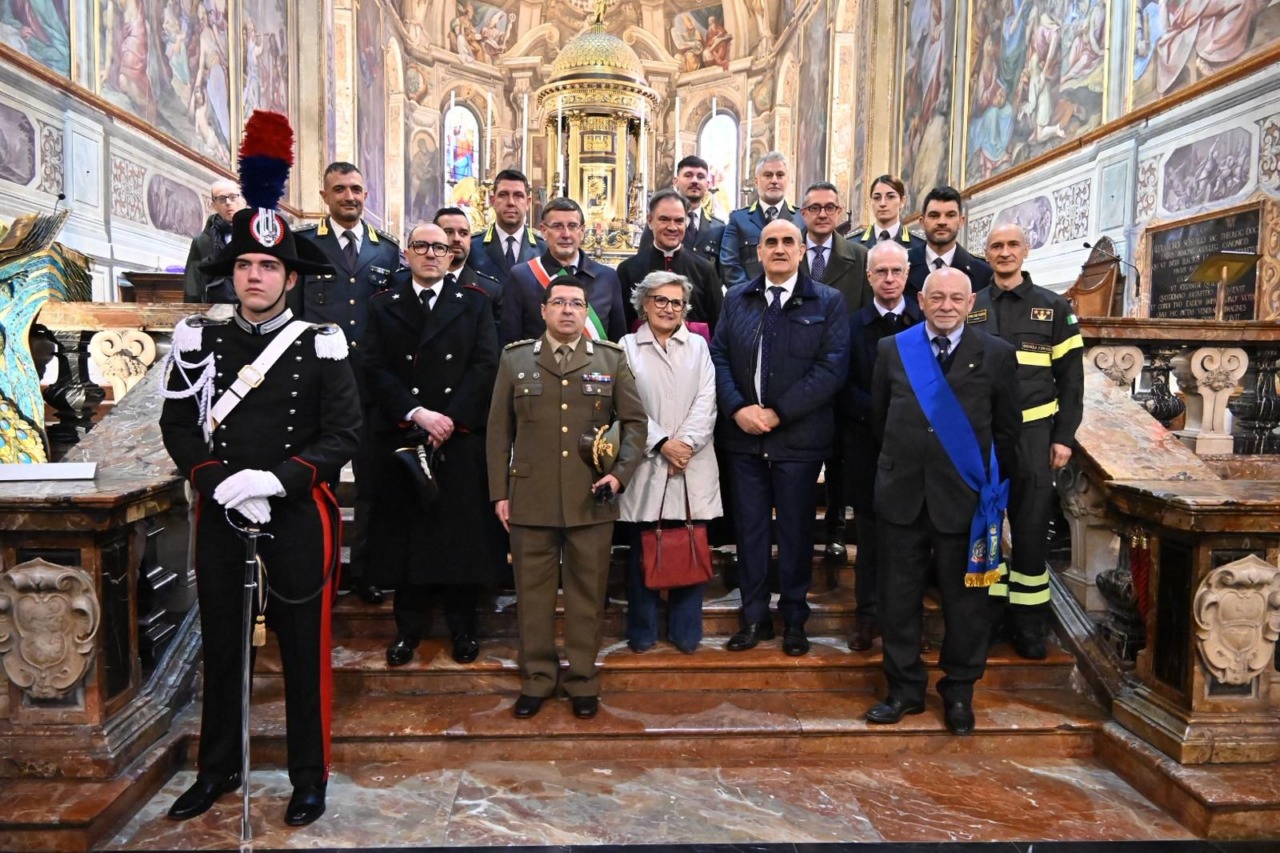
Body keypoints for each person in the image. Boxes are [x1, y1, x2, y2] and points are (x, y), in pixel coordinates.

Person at [159, 200, 360, 827]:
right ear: (232, 273)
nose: (255, 275)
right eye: (245, 264)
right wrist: (217, 480)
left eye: (269, 266)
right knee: (223, 646)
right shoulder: (200, 339)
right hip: (223, 512)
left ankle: (309, 777)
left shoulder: (321, 344)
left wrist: (276, 479)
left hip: (296, 515)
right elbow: (178, 426)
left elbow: (343, 435)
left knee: (304, 649)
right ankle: (216, 769)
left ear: (290, 278)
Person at [866, 267, 1020, 736]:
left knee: (966, 603)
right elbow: (879, 419)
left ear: (971, 303)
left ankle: (958, 692)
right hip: (902, 496)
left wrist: (991, 489)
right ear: (922, 300)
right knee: (898, 599)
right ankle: (904, 690)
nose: (946, 306)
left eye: (956, 298)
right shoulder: (893, 348)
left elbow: (1006, 430)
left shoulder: (997, 354)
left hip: (965, 500)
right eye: (937, 297)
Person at [487, 277, 646, 720]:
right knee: (532, 597)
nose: (568, 310)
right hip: (530, 497)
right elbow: (499, 431)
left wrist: (619, 475)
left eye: (577, 303)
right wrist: (499, 492)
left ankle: (582, 681)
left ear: (586, 311)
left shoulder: (610, 359)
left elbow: (635, 424)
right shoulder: (516, 359)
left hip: (590, 498)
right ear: (543, 310)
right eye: (559, 302)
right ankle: (537, 679)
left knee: (586, 597)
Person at [362, 221, 500, 666]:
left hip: (457, 437)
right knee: (409, 538)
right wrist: (417, 412)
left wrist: (450, 418)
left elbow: (485, 365)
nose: (431, 254)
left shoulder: (475, 303)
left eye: (439, 248)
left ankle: (463, 628)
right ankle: (408, 629)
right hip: (405, 434)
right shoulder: (383, 305)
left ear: (451, 255)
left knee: (459, 536)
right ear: (407, 253)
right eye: (421, 246)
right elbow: (373, 367)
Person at [710, 219, 849, 656]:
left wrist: (778, 412)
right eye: (771, 241)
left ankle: (794, 620)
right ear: (759, 251)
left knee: (795, 532)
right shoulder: (737, 298)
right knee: (750, 532)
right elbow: (719, 357)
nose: (780, 248)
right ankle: (753, 618)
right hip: (744, 439)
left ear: (803, 250)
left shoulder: (827, 301)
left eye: (789, 241)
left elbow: (831, 368)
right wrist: (738, 408)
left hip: (799, 440)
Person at [969, 223, 1084, 659]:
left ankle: (1029, 625)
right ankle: (989, 618)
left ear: (1026, 250)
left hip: (1035, 436)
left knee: (1032, 529)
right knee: (984, 526)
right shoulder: (971, 305)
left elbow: (1072, 381)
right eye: (996, 246)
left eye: (1012, 244)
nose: (1004, 252)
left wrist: (1064, 437)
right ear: (986, 253)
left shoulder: (1054, 308)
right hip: (982, 438)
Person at [293, 162, 401, 605]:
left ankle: (366, 573)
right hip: (322, 385)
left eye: (356, 188)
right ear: (325, 196)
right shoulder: (304, 244)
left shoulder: (386, 250)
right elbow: (295, 316)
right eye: (339, 189)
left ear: (366, 194)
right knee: (321, 481)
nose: (349, 196)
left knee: (373, 485)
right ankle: (322, 572)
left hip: (372, 387)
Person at [618, 271, 721, 654]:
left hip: (692, 461)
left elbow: (707, 400)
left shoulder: (698, 346)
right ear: (644, 304)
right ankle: (642, 630)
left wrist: (685, 445)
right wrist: (662, 442)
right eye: (660, 300)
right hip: (647, 462)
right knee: (644, 550)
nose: (668, 308)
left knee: (690, 544)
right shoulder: (627, 347)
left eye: (677, 302)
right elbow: (625, 404)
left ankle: (685, 632)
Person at [840, 240, 923, 650]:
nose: (889, 279)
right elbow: (842, 383)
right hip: (867, 446)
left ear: (907, 275)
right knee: (869, 541)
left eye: (896, 272)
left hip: (917, 450)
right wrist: (883, 414)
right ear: (868, 275)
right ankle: (867, 617)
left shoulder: (924, 322)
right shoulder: (851, 325)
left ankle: (905, 623)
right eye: (881, 272)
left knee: (911, 543)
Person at [799, 180, 870, 565]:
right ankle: (800, 531)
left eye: (830, 207)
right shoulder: (789, 250)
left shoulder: (859, 256)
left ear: (840, 213)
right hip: (798, 373)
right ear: (803, 213)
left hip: (844, 373)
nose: (822, 214)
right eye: (814, 208)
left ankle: (836, 531)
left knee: (841, 460)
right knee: (801, 462)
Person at [500, 197, 627, 345]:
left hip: (595, 361)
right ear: (544, 231)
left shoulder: (607, 277)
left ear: (582, 231)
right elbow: (510, 340)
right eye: (557, 226)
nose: (566, 234)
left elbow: (618, 340)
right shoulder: (522, 276)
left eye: (572, 226)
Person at [618, 189, 723, 331]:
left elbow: (718, 325)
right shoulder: (628, 269)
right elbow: (622, 324)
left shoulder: (705, 270)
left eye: (679, 221)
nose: (672, 227)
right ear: (650, 221)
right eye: (664, 219)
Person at [719, 151, 799, 289]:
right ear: (756, 181)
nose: (774, 180)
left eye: (780, 175)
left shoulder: (801, 219)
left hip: (794, 298)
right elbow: (729, 264)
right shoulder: (738, 220)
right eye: (768, 175)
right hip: (749, 297)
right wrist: (751, 294)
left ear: (788, 180)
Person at [905, 186, 992, 299]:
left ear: (961, 221)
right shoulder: (901, 266)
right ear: (922, 222)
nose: (942, 222)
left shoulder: (983, 272)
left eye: (950, 215)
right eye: (934, 215)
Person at [639, 155, 725, 265]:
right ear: (676, 181)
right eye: (688, 175)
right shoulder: (658, 222)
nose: (695, 181)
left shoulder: (718, 227)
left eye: (700, 177)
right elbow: (642, 262)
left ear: (707, 184)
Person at [467, 168, 547, 286]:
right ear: (492, 201)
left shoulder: (544, 250)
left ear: (528, 203)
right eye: (503, 195)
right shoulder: (472, 247)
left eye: (518, 195)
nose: (511, 202)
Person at [435, 205, 503, 330]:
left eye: (463, 233)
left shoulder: (489, 290)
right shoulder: (411, 281)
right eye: (448, 232)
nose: (457, 239)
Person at [183, 179, 244, 303]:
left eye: (233, 197)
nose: (228, 203)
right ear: (214, 205)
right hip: (214, 307)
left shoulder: (259, 234)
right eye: (222, 199)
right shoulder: (202, 241)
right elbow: (192, 285)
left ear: (243, 200)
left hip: (252, 307)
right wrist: (193, 311)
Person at [854, 175, 925, 254]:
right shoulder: (853, 242)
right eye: (877, 198)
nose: (882, 203)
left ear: (902, 201)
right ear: (871, 202)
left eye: (891, 197)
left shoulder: (920, 243)